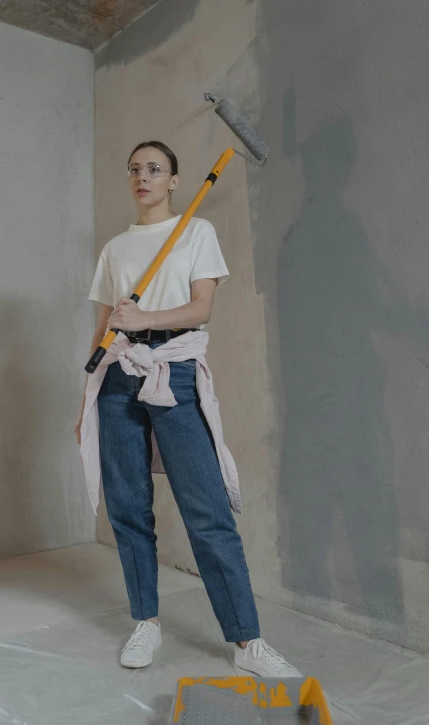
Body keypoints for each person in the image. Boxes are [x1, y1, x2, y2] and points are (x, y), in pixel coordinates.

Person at [75, 140, 300, 677]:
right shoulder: (114, 249)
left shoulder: (197, 232)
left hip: (173, 370)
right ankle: (145, 623)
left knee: (207, 511)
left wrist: (143, 316)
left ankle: (247, 642)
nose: (142, 177)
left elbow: (202, 308)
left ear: (175, 180)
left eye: (154, 169)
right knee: (128, 508)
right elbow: (105, 323)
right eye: (134, 169)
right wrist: (86, 397)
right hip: (117, 378)